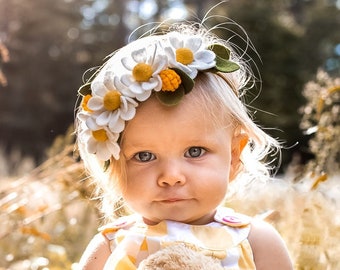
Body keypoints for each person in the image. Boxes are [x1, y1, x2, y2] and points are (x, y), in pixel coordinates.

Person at [75, 20, 293, 269]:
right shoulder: (111, 246)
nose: (171, 177)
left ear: (234, 156)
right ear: (114, 163)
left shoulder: (257, 242)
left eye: (195, 152)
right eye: (144, 156)